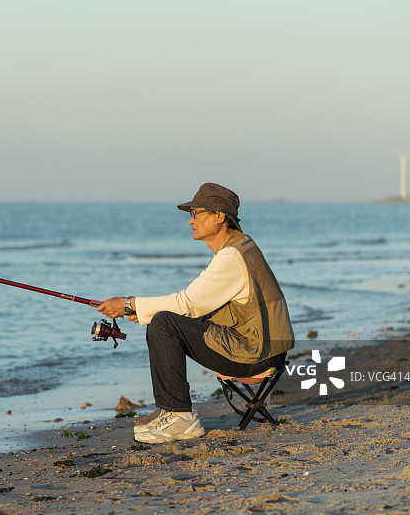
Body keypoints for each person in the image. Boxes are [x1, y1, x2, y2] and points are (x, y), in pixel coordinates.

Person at [97, 183, 294, 444]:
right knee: (164, 320)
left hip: (255, 354)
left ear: (220, 216)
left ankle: (180, 416)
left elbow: (186, 303)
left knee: (164, 323)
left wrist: (130, 304)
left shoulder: (232, 256)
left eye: (197, 213)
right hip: (264, 349)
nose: (191, 221)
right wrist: (139, 310)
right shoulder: (238, 248)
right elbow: (197, 306)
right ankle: (170, 411)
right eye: (190, 214)